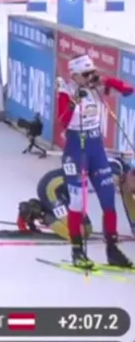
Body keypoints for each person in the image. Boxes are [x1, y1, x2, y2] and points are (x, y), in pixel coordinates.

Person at [56, 54, 133, 268]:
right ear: (75, 75)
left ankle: (112, 250)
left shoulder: (97, 88)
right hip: (76, 152)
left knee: (108, 201)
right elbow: (63, 122)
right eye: (86, 74)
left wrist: (107, 81)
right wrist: (73, 102)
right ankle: (77, 251)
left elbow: (128, 90)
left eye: (92, 72)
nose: (90, 77)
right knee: (77, 203)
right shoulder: (66, 91)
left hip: (96, 151)